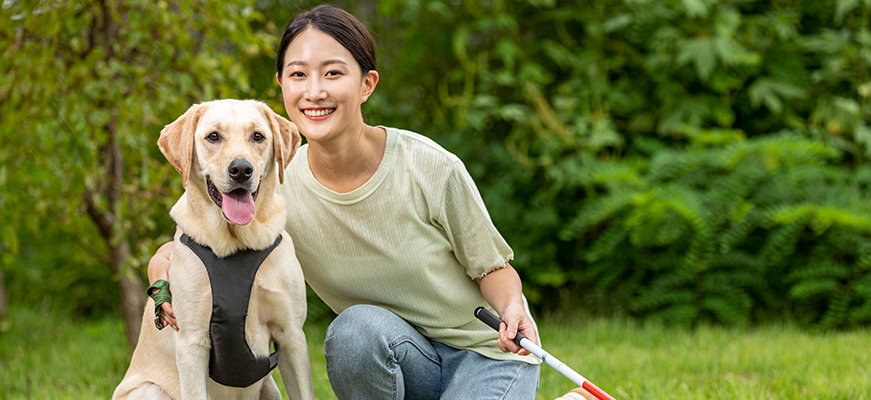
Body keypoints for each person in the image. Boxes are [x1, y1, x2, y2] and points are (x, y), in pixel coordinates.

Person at [147, 5, 598, 400]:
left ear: (367, 84)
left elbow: (492, 267)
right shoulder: (274, 189)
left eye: (334, 73)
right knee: (353, 332)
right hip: (397, 357)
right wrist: (159, 269)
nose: (315, 91)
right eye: (299, 74)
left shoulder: (429, 166)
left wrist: (514, 306)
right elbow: (205, 241)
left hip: (484, 355)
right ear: (281, 85)